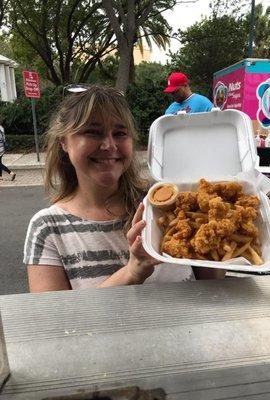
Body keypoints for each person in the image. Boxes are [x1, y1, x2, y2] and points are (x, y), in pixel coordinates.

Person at [25, 86, 219, 293]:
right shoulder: (47, 229)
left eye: (120, 133)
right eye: (93, 132)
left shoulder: (168, 205)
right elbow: (56, 321)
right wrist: (132, 272)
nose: (109, 145)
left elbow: (210, 284)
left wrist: (222, 237)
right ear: (64, 141)